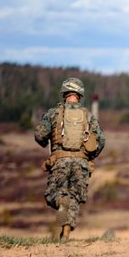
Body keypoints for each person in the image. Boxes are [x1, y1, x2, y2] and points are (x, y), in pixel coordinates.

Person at [35, 77, 106, 241]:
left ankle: (61, 204)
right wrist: (89, 157)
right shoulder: (88, 116)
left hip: (60, 162)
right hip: (81, 164)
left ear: (64, 93)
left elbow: (39, 135)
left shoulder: (54, 113)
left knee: (54, 195)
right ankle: (65, 233)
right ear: (80, 95)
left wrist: (46, 142)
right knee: (73, 198)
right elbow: (101, 140)